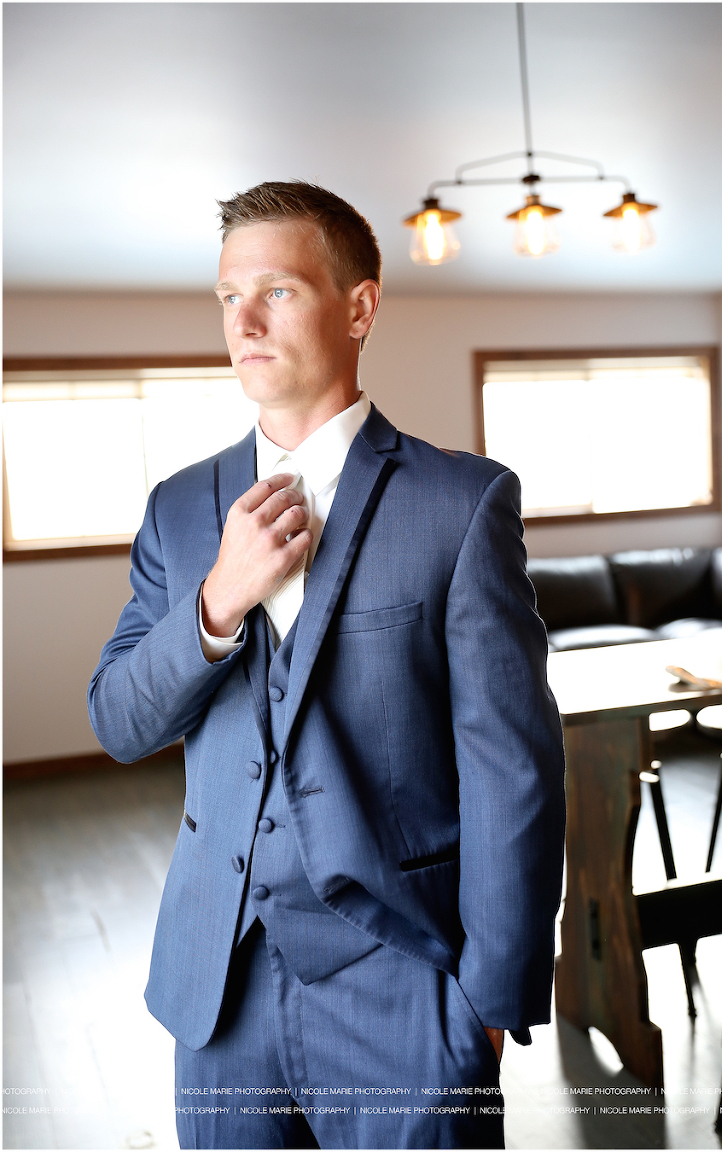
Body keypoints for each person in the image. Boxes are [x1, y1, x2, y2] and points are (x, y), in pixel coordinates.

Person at [88, 181, 565, 1150]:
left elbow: (513, 770)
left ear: (359, 308)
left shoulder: (461, 504)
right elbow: (117, 720)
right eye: (229, 296)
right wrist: (216, 603)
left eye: (278, 291)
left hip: (408, 987)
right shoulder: (179, 511)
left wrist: (487, 1001)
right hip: (215, 994)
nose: (245, 321)